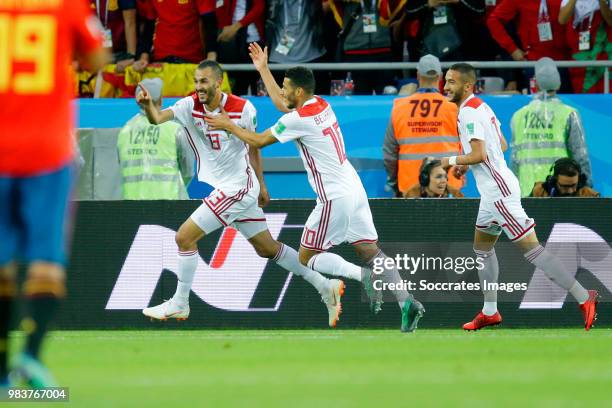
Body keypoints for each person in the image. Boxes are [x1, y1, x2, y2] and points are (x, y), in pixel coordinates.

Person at [206, 43, 426, 333]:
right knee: (370, 250)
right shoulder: (321, 104)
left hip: (334, 195)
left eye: (285, 87)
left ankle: (366, 278)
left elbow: (257, 141)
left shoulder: (299, 119)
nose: (282, 92)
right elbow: (283, 106)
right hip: (353, 186)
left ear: (298, 92)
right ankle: (406, 300)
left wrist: (227, 124)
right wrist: (264, 70)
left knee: (306, 257)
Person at [137, 61, 344, 328]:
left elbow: (253, 145)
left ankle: (180, 301)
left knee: (184, 237)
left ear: (218, 83)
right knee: (267, 248)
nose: (199, 87)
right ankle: (324, 285)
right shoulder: (189, 106)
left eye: (204, 82)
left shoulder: (243, 108)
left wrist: (262, 183)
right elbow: (158, 119)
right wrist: (147, 107)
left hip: (238, 188)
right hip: (228, 189)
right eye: (196, 81)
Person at [441, 63, 599, 331]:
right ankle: (489, 311)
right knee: (482, 250)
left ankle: (585, 297)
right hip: (492, 192)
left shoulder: (468, 112)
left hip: (499, 193)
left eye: (452, 82)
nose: (446, 86)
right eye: (446, 81)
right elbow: (499, 145)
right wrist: (468, 163)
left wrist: (450, 159)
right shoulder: (481, 107)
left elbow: (480, 154)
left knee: (533, 252)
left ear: (467, 86)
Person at [0, 0, 108, 387]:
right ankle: (30, 357)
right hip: (45, 149)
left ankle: (1, 371)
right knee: (46, 261)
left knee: (2, 263)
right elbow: (97, 57)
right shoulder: (63, 4)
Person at [510, 57, 593, 197]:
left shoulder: (518, 116)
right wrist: (586, 185)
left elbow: (514, 160)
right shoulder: (569, 114)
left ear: (535, 84)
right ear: (558, 84)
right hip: (560, 190)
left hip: (527, 192)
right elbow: (580, 155)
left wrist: (512, 193)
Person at [383, 54, 462, 197]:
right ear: (440, 76)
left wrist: (394, 181)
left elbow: (389, 154)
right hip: (447, 187)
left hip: (410, 187)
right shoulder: (454, 108)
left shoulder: (400, 108)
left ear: (418, 75)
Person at [117, 78, 195, 199]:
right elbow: (188, 171)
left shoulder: (124, 130)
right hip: (169, 204)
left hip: (131, 205)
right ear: (160, 100)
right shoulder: (174, 129)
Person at [487, 0, 572, 92]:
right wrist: (512, 49)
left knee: (567, 104)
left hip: (567, 63)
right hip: (534, 63)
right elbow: (493, 20)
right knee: (538, 104)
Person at [558, 0, 612, 93]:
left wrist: (602, 2)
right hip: (579, 56)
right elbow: (562, 20)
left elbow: (610, 21)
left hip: (603, 54)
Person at [215, 0, 265, 95]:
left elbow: (259, 8)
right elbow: (220, 6)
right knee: (234, 84)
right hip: (231, 41)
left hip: (253, 38)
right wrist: (225, 28)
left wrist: (236, 26)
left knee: (255, 82)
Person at [530, 157, 600, 197]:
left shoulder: (590, 195)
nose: (570, 191)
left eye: (573, 185)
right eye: (564, 186)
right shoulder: (539, 192)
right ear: (554, 180)